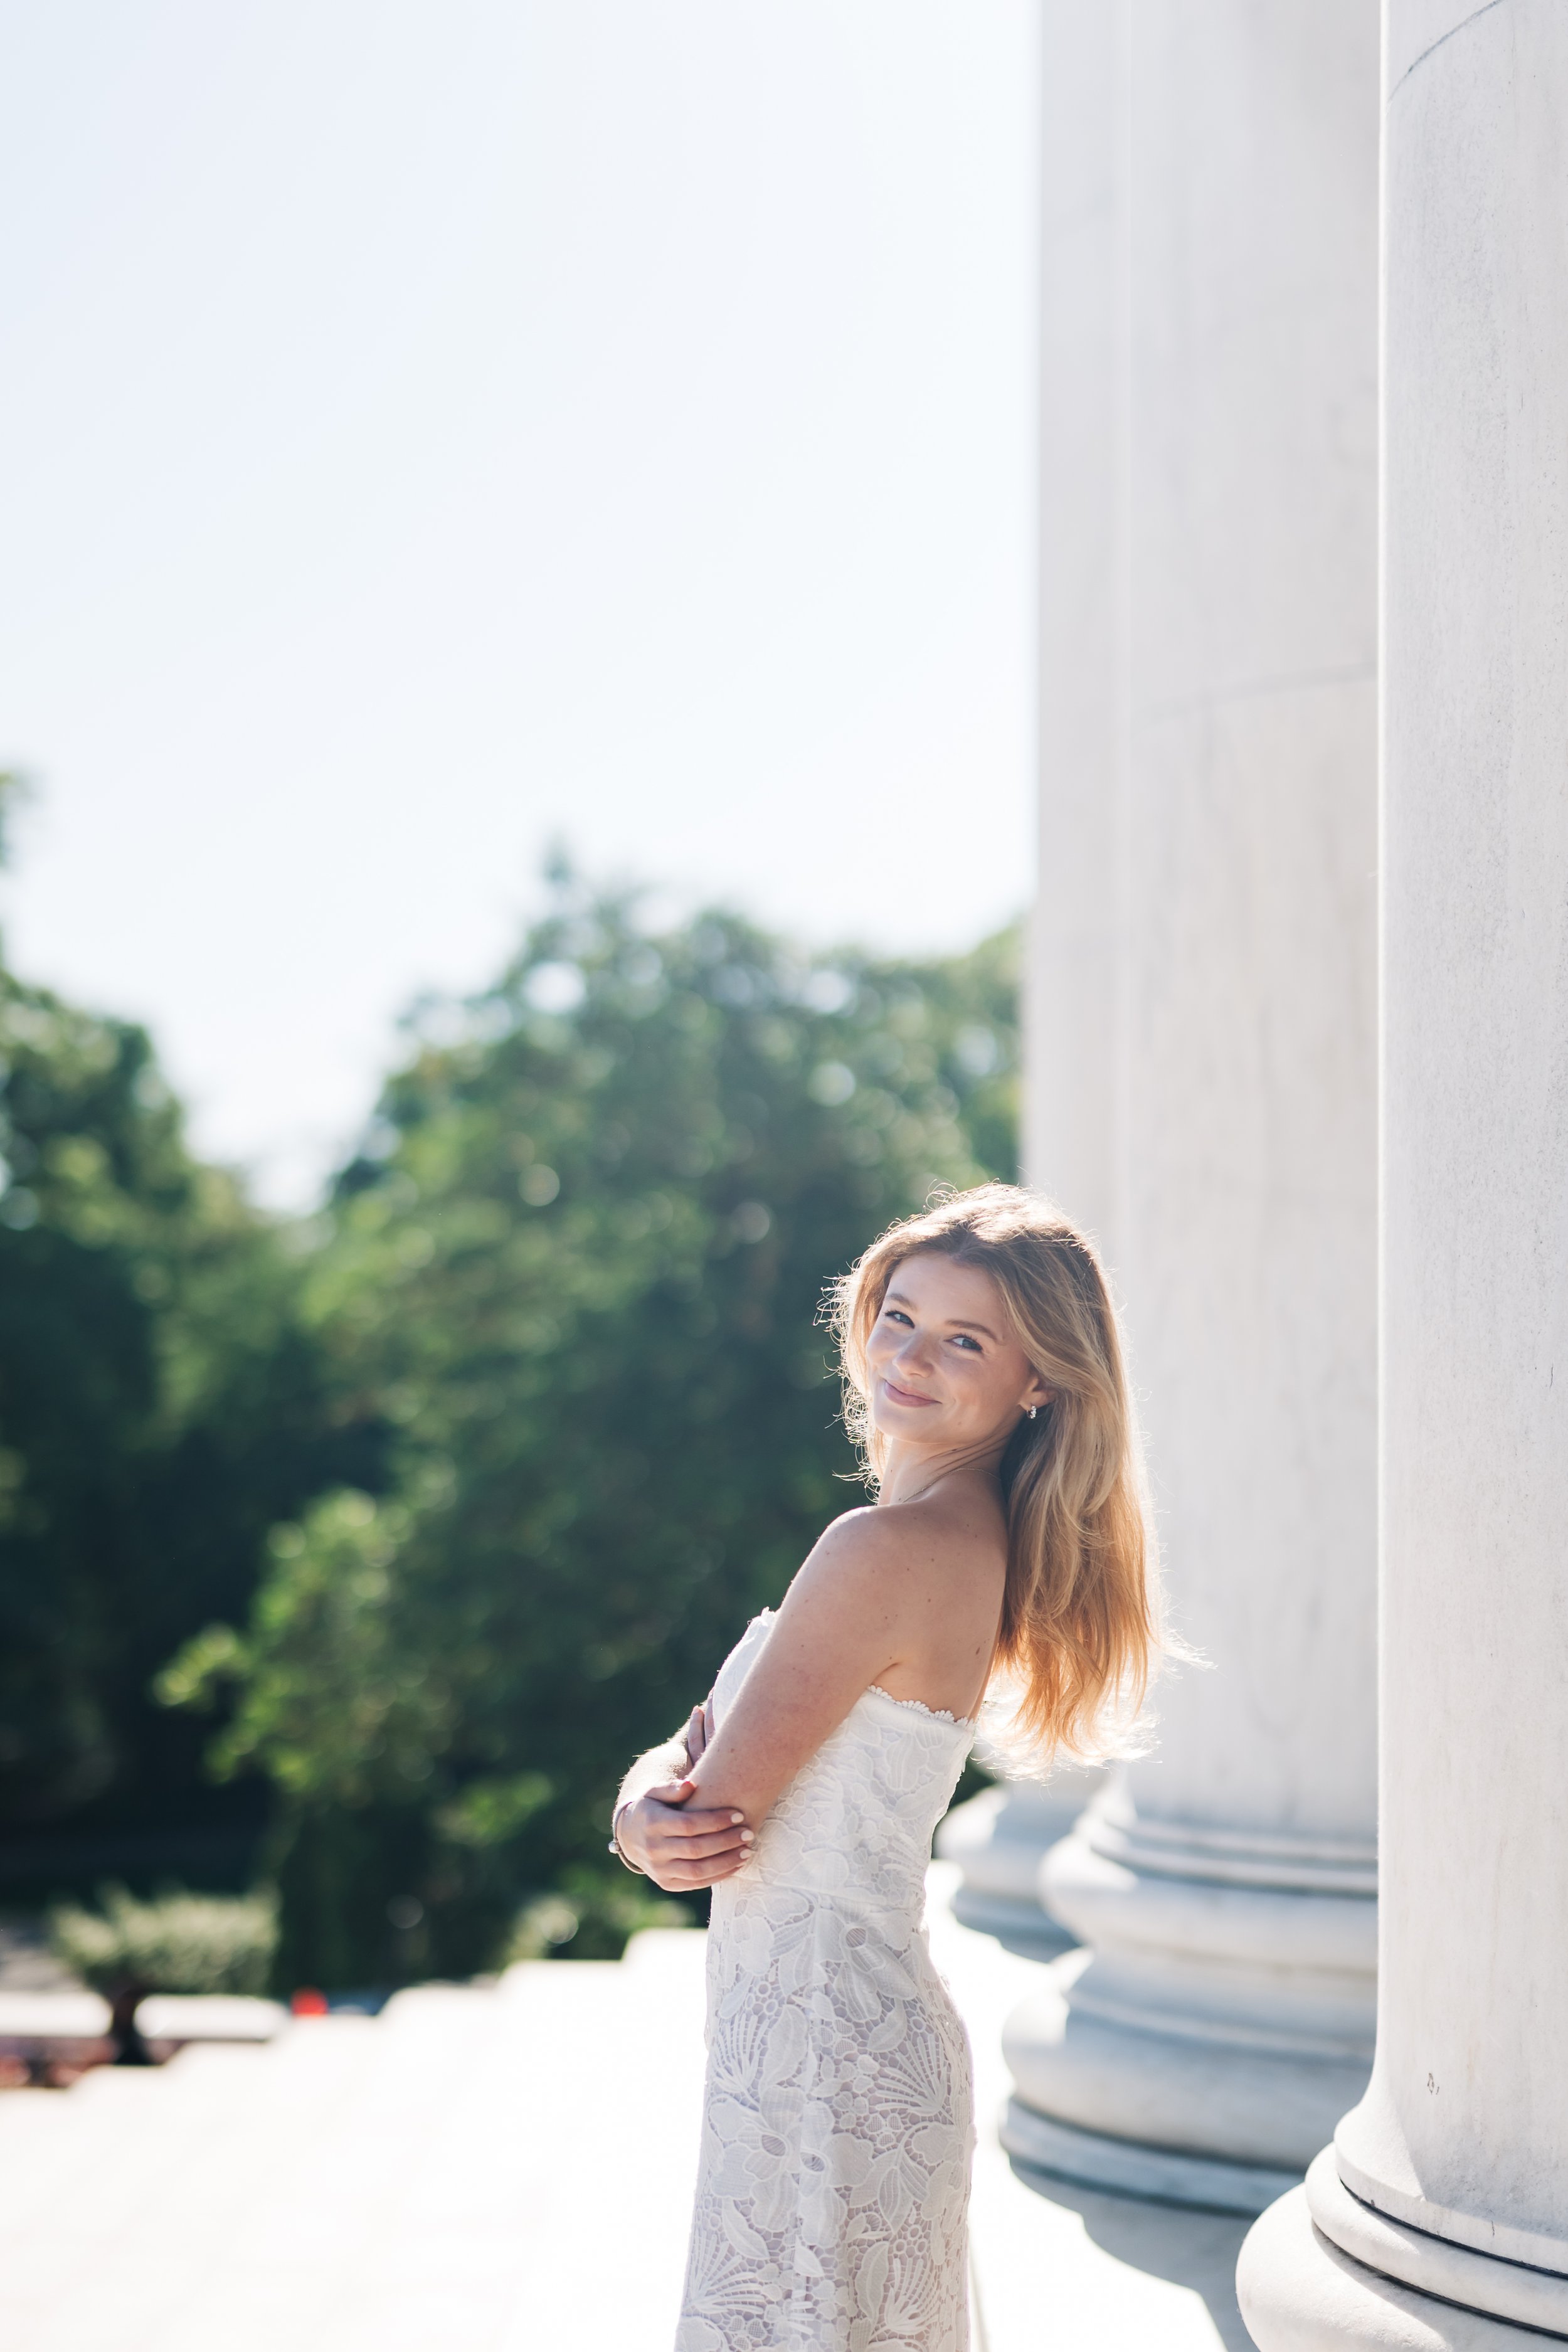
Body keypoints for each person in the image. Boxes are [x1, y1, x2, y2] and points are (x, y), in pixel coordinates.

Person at [612, 1184, 1159, 2352]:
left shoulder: (884, 1548)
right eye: (898, 1315)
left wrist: (640, 1804)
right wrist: (657, 1781)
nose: (909, 1356)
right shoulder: (961, 1535)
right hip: (836, 2032)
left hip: (818, 2046)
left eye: (965, 1338)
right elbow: (706, 1748)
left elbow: (708, 1804)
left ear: (1039, 1380)